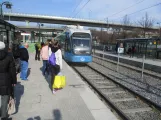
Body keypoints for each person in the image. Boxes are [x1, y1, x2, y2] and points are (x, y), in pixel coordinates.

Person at [0, 41, 17, 119]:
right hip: (6, 80)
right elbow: (12, 70)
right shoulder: (9, 56)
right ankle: (3, 116)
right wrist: (14, 81)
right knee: (4, 98)